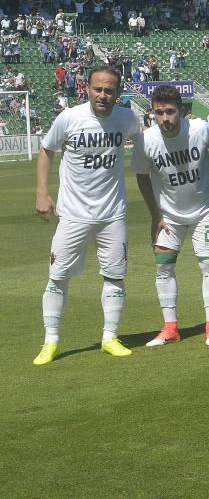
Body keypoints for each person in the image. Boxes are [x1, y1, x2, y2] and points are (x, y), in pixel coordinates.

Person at [33, 65, 142, 365]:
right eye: (98, 89)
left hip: (112, 213)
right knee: (57, 277)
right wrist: (42, 193)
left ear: (118, 92)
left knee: (115, 276)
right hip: (72, 214)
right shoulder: (69, 118)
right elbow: (46, 150)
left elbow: (145, 141)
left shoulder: (127, 119)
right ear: (87, 88)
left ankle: (110, 337)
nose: (103, 95)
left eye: (109, 90)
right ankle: (50, 340)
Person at [134, 85, 209, 347]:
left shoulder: (200, 129)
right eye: (159, 112)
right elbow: (142, 177)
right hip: (167, 216)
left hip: (204, 211)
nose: (165, 118)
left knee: (208, 267)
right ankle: (170, 328)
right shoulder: (145, 140)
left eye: (170, 112)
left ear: (181, 112)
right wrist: (155, 214)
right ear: (152, 112)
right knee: (163, 268)